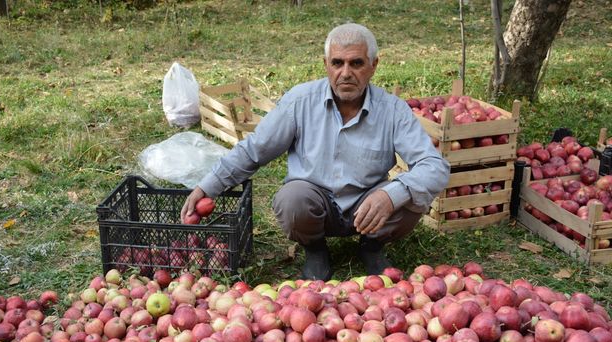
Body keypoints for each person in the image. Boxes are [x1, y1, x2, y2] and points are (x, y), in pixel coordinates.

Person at [182, 23, 450, 281]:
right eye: (337, 63)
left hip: (368, 208)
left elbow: (434, 166)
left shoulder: (392, 110)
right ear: (326, 65)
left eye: (356, 63)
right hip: (315, 204)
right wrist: (208, 187)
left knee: (414, 195)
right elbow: (255, 150)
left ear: (373, 66)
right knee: (292, 198)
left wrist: (392, 195)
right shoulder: (300, 102)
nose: (346, 73)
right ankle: (314, 248)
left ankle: (372, 246)